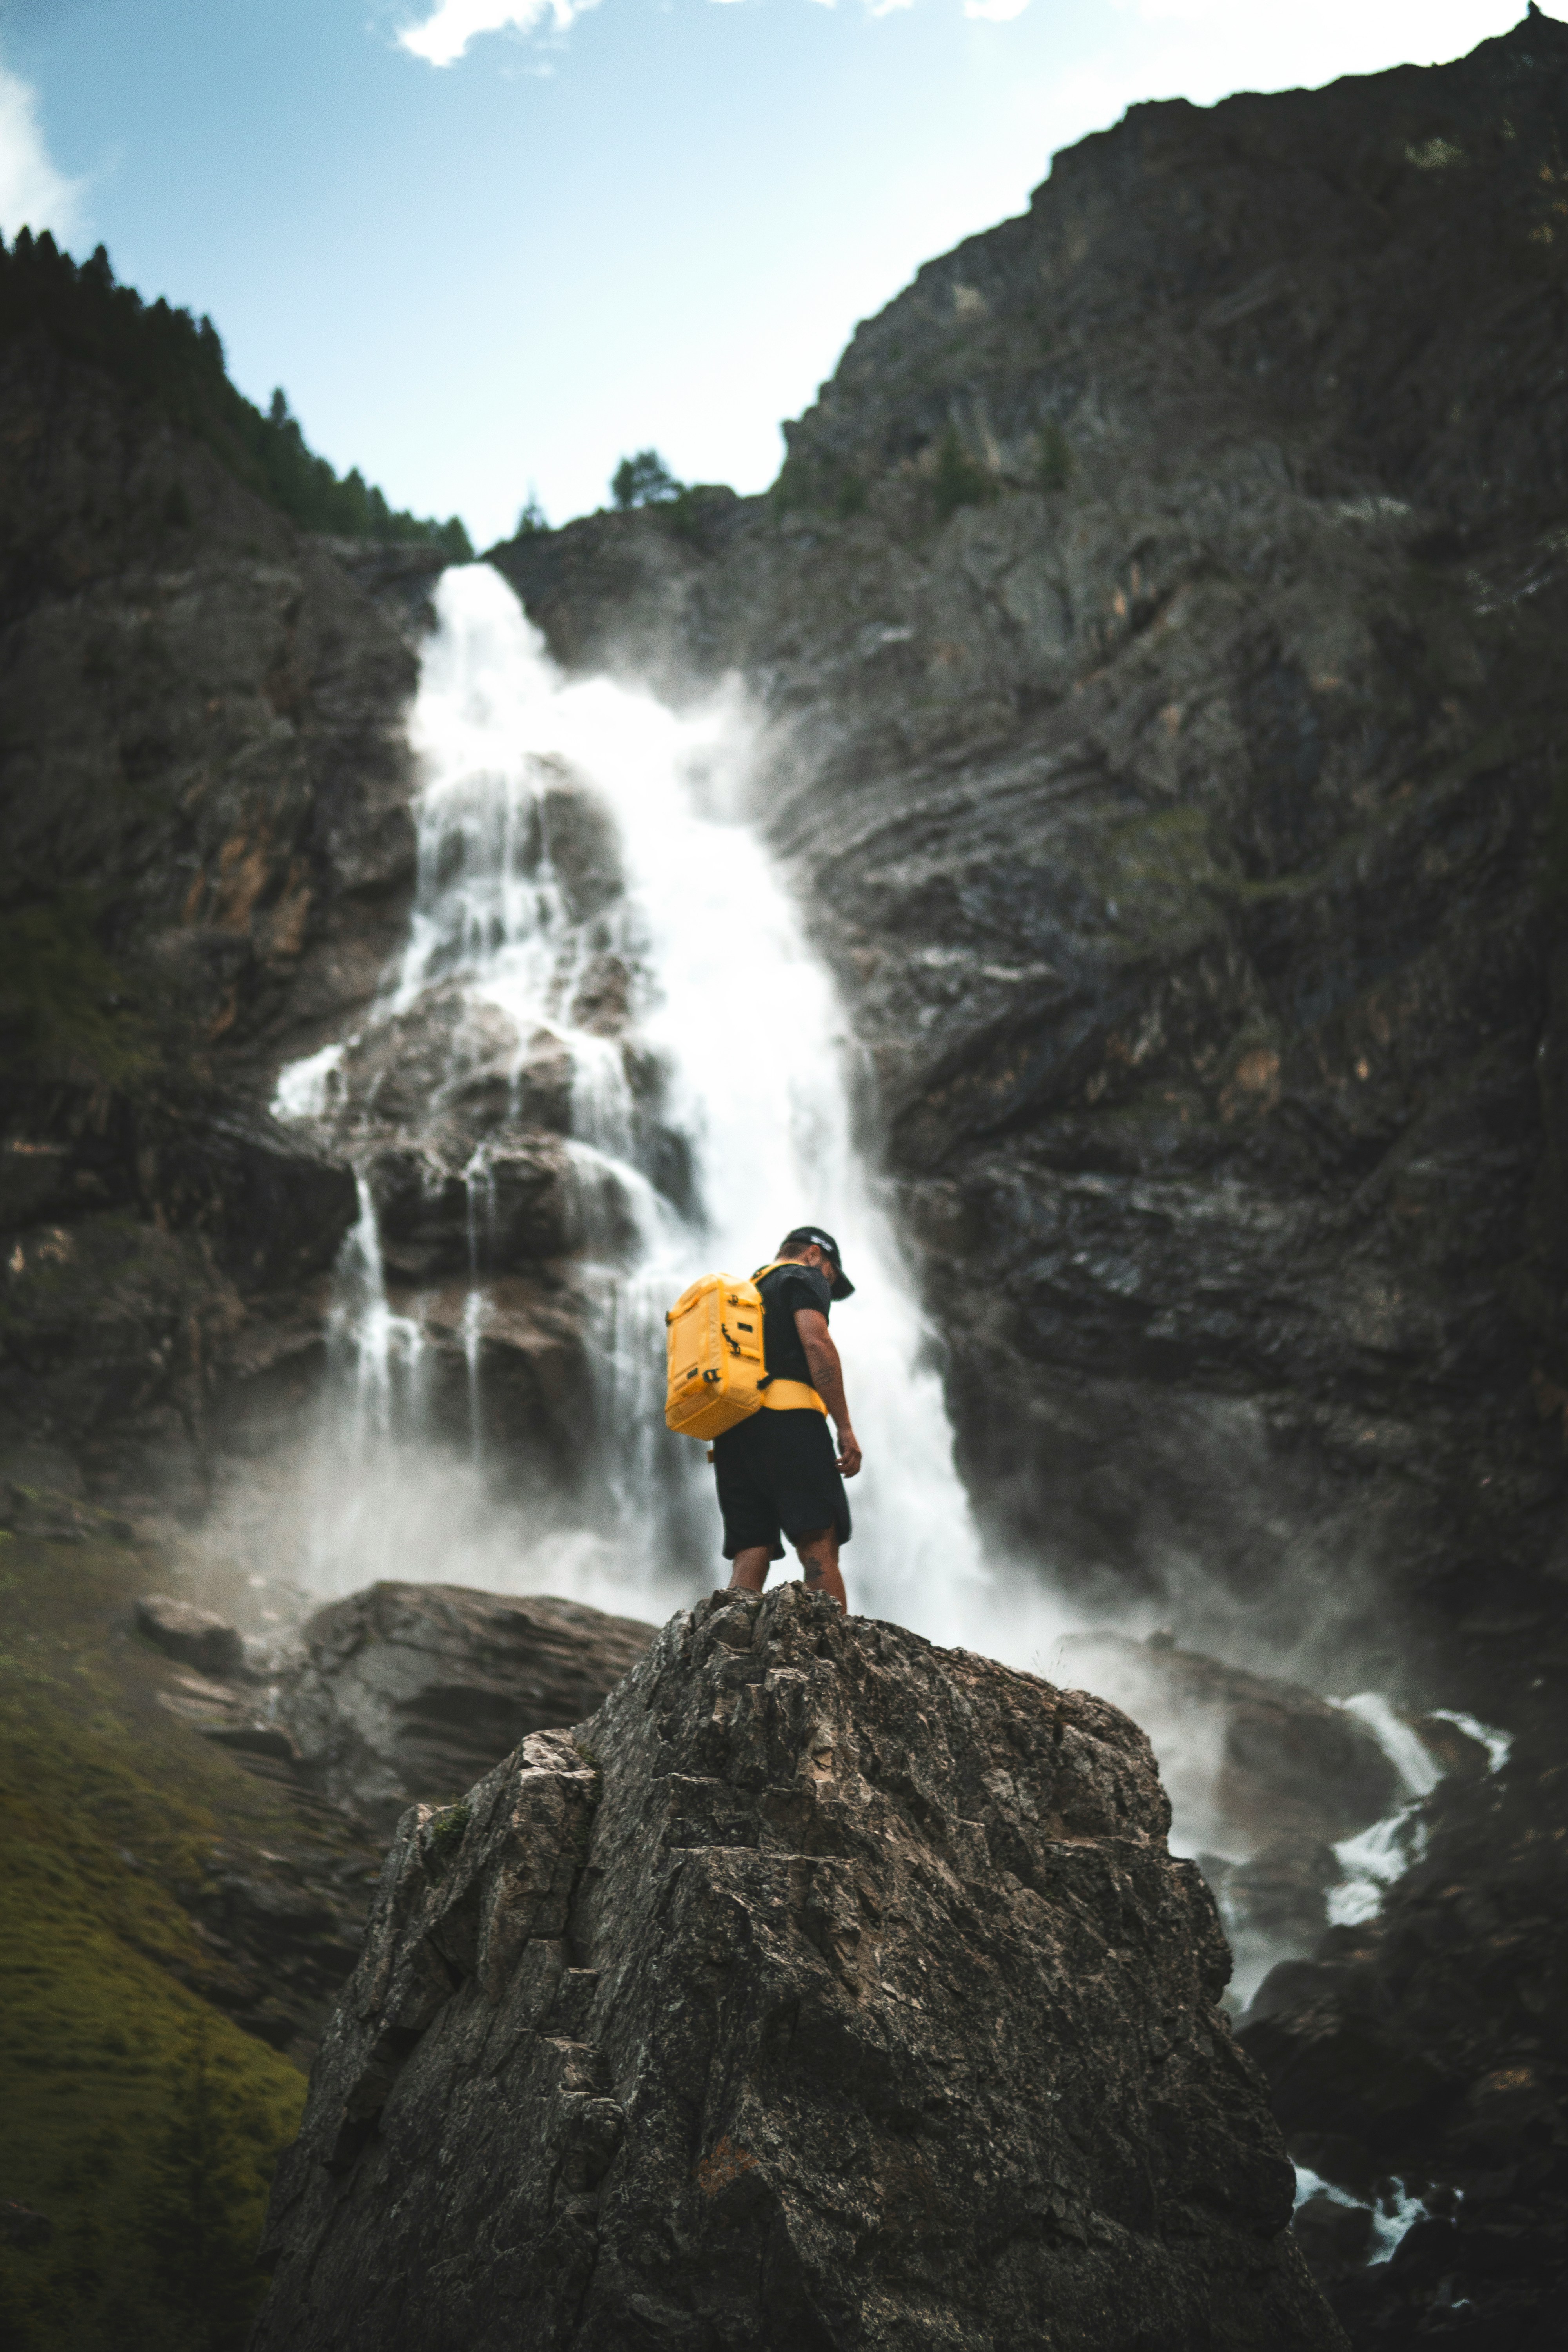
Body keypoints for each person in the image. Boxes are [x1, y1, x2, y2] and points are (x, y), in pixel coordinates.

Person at [715, 1226, 861, 1612]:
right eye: (830, 1274)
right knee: (817, 1539)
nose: (827, 1282)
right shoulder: (802, 1276)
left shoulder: (742, 1294)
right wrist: (844, 1426)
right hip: (789, 1421)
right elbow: (816, 1341)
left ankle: (728, 1650)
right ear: (815, 1254)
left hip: (731, 1429)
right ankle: (833, 1659)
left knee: (751, 1548)